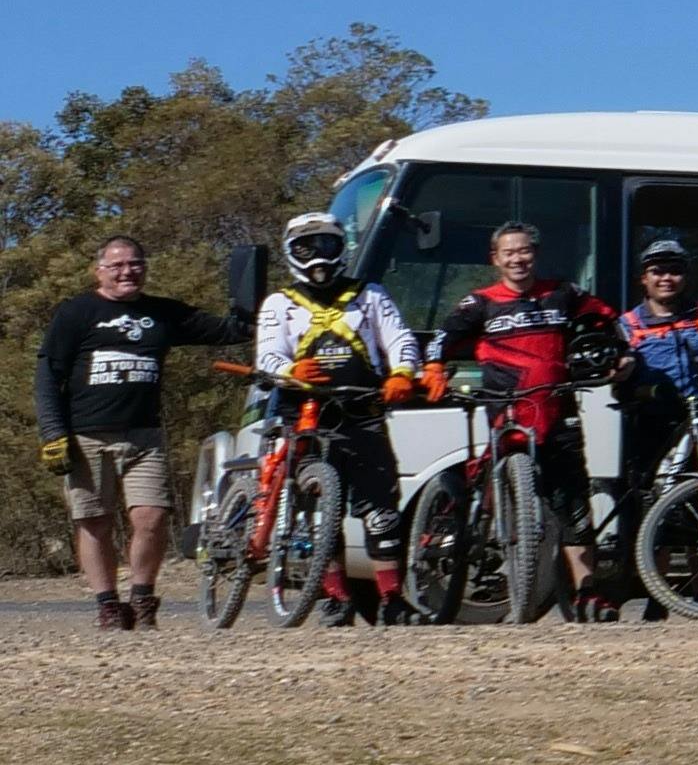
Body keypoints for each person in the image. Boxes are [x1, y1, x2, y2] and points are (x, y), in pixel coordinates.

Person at [34, 234, 253, 631]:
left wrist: (254, 301)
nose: (126, 272)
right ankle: (108, 606)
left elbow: (230, 330)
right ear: (98, 270)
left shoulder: (162, 314)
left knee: (151, 518)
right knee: (94, 521)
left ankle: (142, 598)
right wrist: (53, 433)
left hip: (144, 436)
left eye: (134, 264)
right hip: (85, 436)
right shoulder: (76, 313)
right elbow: (48, 375)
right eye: (116, 265)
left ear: (144, 268)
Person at [436, 221, 623, 608]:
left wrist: (622, 356)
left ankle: (587, 592)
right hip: (505, 406)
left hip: (558, 408)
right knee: (487, 478)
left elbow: (606, 321)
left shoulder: (563, 293)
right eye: (509, 252)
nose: (517, 259)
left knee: (573, 499)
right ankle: (473, 533)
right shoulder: (480, 302)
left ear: (534, 254)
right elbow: (444, 338)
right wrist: (433, 368)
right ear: (496, 259)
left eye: (524, 251)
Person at [252, 214, 420, 627]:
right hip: (306, 417)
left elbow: (399, 338)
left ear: (341, 248)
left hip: (362, 412)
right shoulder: (279, 303)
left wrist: (403, 373)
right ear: (291, 254)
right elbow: (267, 355)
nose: (318, 258)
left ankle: (392, 598)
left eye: (327, 246)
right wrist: (291, 372)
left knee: (381, 510)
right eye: (306, 249)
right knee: (315, 512)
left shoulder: (371, 295)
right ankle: (335, 597)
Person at [603, 238, 698, 619]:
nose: (667, 278)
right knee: (656, 512)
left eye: (675, 270)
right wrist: (627, 376)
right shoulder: (626, 325)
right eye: (658, 271)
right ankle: (658, 597)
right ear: (643, 279)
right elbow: (617, 378)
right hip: (652, 424)